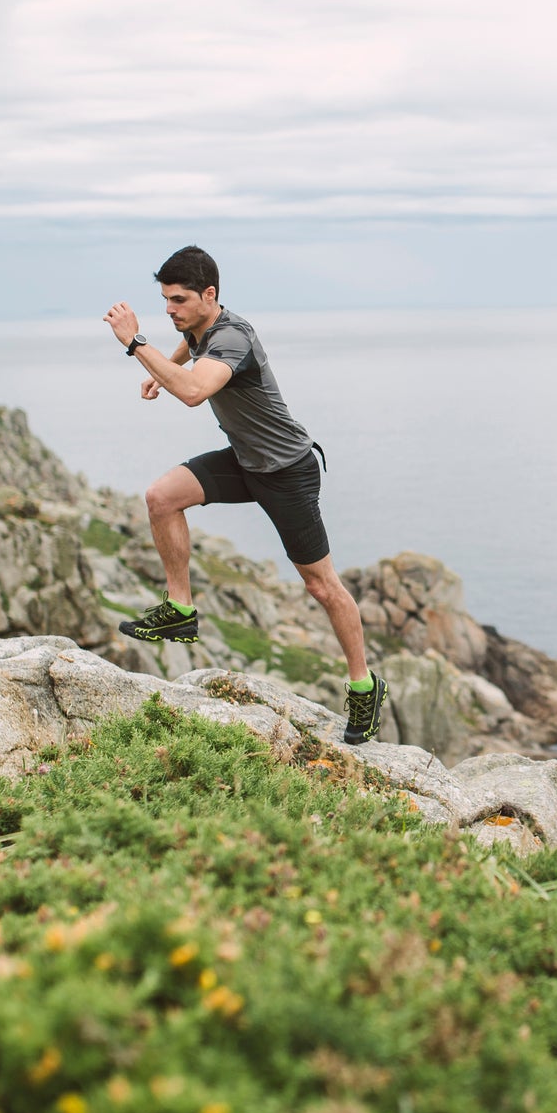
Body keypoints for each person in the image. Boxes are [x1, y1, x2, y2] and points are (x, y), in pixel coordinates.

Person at [100, 245, 387, 745]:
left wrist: (135, 343)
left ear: (210, 295)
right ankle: (181, 610)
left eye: (180, 300)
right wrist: (157, 368)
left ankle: (365, 686)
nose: (170, 309)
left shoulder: (233, 337)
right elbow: (191, 348)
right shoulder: (201, 326)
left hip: (287, 472)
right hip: (245, 461)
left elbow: (192, 392)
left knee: (322, 587)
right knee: (161, 497)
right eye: (165, 300)